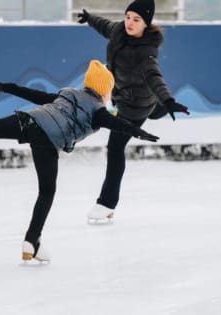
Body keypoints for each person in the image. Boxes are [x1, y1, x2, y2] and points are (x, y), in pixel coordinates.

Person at [0, 60, 159, 262]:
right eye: (110, 91)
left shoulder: (67, 94)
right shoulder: (99, 111)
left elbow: (34, 95)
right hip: (47, 140)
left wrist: (7, 87)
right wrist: (138, 132)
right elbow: (119, 124)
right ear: (103, 90)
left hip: (29, 121)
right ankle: (31, 242)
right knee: (46, 192)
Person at [77, 0, 190, 220]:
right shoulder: (120, 31)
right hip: (124, 98)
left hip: (136, 106)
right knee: (152, 110)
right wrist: (89, 18)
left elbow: (154, 77)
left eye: (136, 20)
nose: (129, 22)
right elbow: (106, 26)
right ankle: (158, 109)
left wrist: (168, 100)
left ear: (146, 24)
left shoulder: (146, 53)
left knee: (115, 147)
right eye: (128, 16)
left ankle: (107, 204)